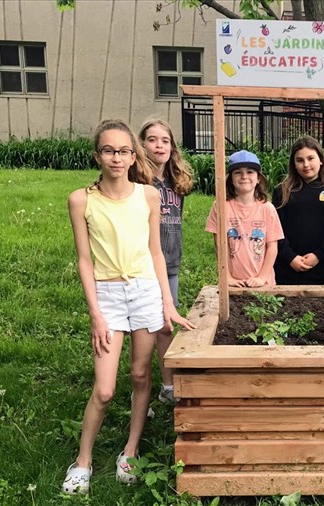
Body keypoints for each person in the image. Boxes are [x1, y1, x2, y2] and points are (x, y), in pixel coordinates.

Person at [63, 119, 195, 495]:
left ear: (132, 155)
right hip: (107, 294)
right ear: (97, 155)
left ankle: (131, 450)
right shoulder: (81, 199)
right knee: (104, 389)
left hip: (145, 292)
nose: (116, 158)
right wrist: (95, 314)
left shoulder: (148, 195)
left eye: (123, 151)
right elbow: (84, 260)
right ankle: (83, 460)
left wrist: (167, 302)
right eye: (109, 150)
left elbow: (156, 251)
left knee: (140, 376)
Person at [138, 119, 193, 406]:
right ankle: (142, 387)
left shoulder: (176, 183)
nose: (159, 145)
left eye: (165, 140)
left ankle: (167, 385)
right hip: (142, 265)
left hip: (171, 260)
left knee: (166, 325)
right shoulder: (137, 183)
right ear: (141, 144)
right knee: (146, 327)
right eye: (152, 139)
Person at [272, 136, 324, 285]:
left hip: (319, 266)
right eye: (300, 160)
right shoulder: (281, 192)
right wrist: (290, 257)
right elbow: (274, 228)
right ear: (293, 164)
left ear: (320, 160)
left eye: (310, 158)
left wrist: (318, 255)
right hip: (286, 266)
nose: (306, 164)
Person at [205, 150, 284, 287]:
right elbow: (219, 245)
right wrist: (227, 277)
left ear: (258, 178)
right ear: (231, 178)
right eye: (238, 172)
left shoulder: (267, 208)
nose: (244, 176)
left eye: (250, 172)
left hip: (263, 283)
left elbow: (272, 247)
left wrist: (261, 277)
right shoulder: (221, 206)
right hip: (233, 283)